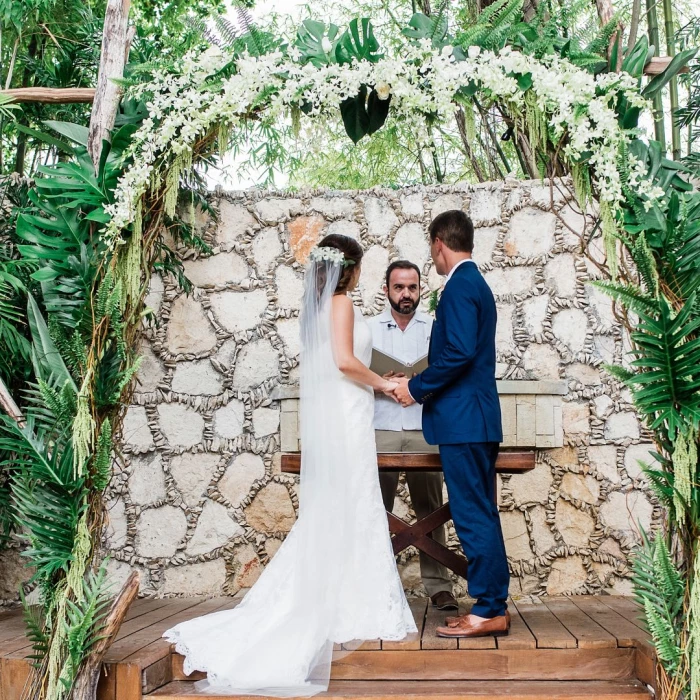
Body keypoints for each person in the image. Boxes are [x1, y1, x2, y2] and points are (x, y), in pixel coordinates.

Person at [163, 234, 416, 696]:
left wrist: (379, 382)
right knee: (349, 505)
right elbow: (343, 361)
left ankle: (345, 598)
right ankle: (345, 604)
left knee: (345, 508)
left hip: (344, 412)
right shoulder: (340, 304)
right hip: (348, 411)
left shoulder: (318, 308)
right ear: (351, 270)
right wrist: (384, 384)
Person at [393, 210, 510, 640]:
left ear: (439, 241)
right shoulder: (474, 283)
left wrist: (416, 388)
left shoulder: (459, 286)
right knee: (480, 511)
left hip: (464, 422)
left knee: (472, 513)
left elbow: (458, 353)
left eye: (431, 247)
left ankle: (488, 609)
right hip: (473, 420)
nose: (432, 255)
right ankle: (490, 603)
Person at [369, 260, 457, 611]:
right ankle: (375, 587)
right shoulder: (368, 329)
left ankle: (439, 586)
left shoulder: (436, 328)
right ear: (386, 289)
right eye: (399, 287)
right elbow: (351, 376)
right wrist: (382, 383)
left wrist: (418, 384)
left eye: (412, 287)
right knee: (375, 510)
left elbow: (447, 375)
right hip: (380, 428)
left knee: (432, 509)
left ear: (421, 290)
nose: (406, 294)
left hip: (425, 427)